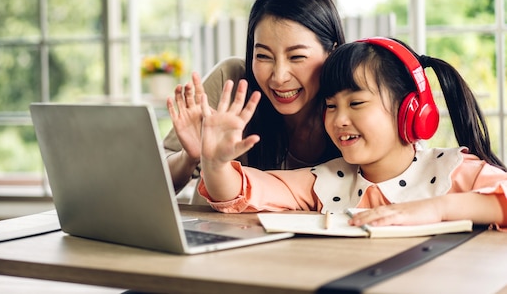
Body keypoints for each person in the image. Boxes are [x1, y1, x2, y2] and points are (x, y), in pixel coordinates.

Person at [196, 37, 507, 228]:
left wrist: (436, 208)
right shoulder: (325, 181)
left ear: (411, 109)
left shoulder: (451, 171)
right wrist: (214, 163)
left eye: (356, 103)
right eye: (330, 106)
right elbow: (239, 190)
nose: (339, 119)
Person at [165, 0, 345, 196]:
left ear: (332, 53)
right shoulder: (232, 82)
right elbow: (150, 186)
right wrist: (189, 156)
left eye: (297, 57)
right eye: (263, 56)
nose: (279, 77)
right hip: (222, 229)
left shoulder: (354, 103)